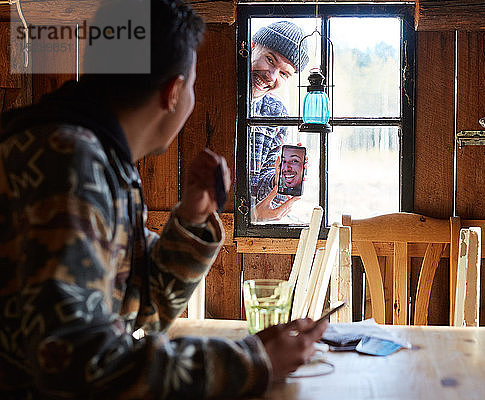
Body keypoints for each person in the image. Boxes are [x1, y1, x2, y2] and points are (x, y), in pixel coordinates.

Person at [0, 1, 327, 398]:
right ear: (174, 91)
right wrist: (252, 360)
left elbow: (138, 306)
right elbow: (79, 364)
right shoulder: (68, 160)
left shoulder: (91, 153)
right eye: (193, 84)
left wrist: (191, 221)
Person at [249, 21, 309, 222]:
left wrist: (279, 176)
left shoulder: (276, 112)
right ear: (252, 46)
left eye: (284, 73)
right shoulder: (211, 89)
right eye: (270, 60)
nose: (271, 76)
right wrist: (252, 215)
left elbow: (261, 194)